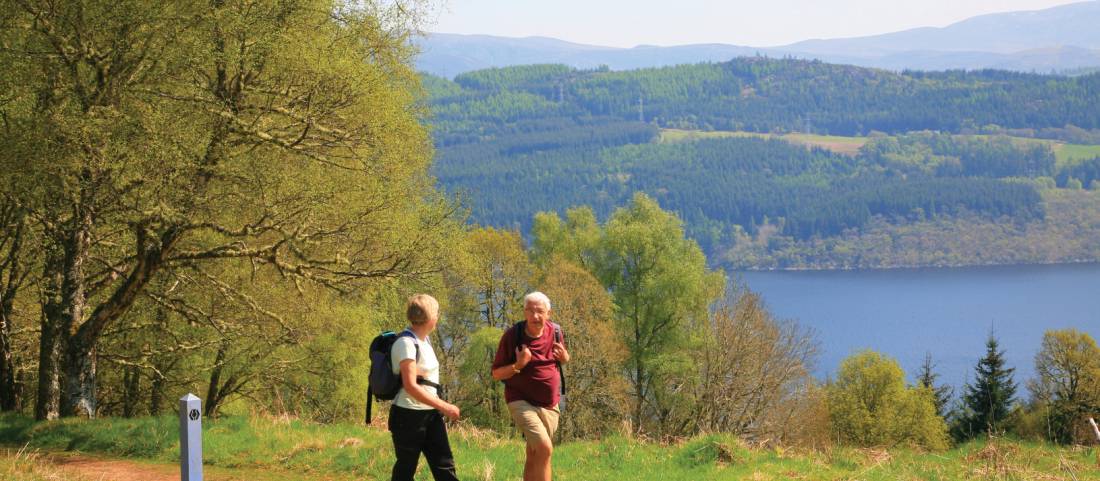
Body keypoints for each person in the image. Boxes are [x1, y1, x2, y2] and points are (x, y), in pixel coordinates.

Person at [491, 291, 570, 481]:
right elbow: (496, 374)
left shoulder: (556, 332)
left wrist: (565, 358)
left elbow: (563, 359)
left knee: (535, 454)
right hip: (520, 400)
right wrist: (519, 365)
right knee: (545, 448)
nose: (535, 316)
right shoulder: (513, 336)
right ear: (524, 312)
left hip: (550, 404)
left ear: (548, 313)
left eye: (540, 311)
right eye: (530, 311)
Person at [388, 294, 461, 481]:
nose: (438, 317)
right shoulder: (406, 343)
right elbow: (410, 386)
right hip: (407, 416)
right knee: (406, 468)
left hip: (430, 415)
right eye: (437, 313)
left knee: (444, 465)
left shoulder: (424, 340)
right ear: (429, 318)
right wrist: (444, 406)